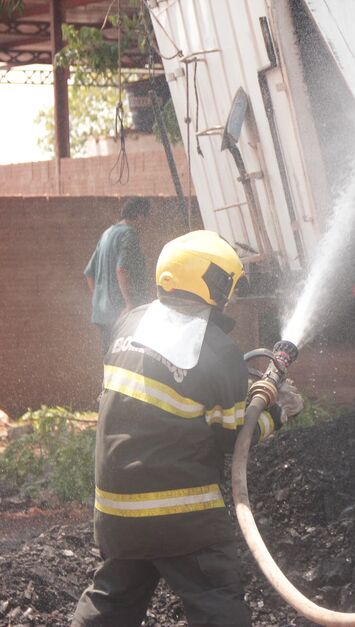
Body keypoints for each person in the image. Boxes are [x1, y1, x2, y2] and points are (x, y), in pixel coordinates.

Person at [72, 230, 304, 627]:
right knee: (217, 601)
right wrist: (277, 413)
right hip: (184, 517)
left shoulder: (129, 324)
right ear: (214, 283)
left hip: (116, 514)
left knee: (114, 601)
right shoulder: (218, 350)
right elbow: (233, 436)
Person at [84, 197, 151, 353]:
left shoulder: (107, 233)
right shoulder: (129, 234)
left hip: (103, 315)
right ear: (140, 216)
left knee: (110, 358)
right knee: (126, 357)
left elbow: (89, 273)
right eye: (147, 219)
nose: (147, 225)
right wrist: (130, 304)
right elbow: (122, 269)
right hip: (122, 314)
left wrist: (99, 300)